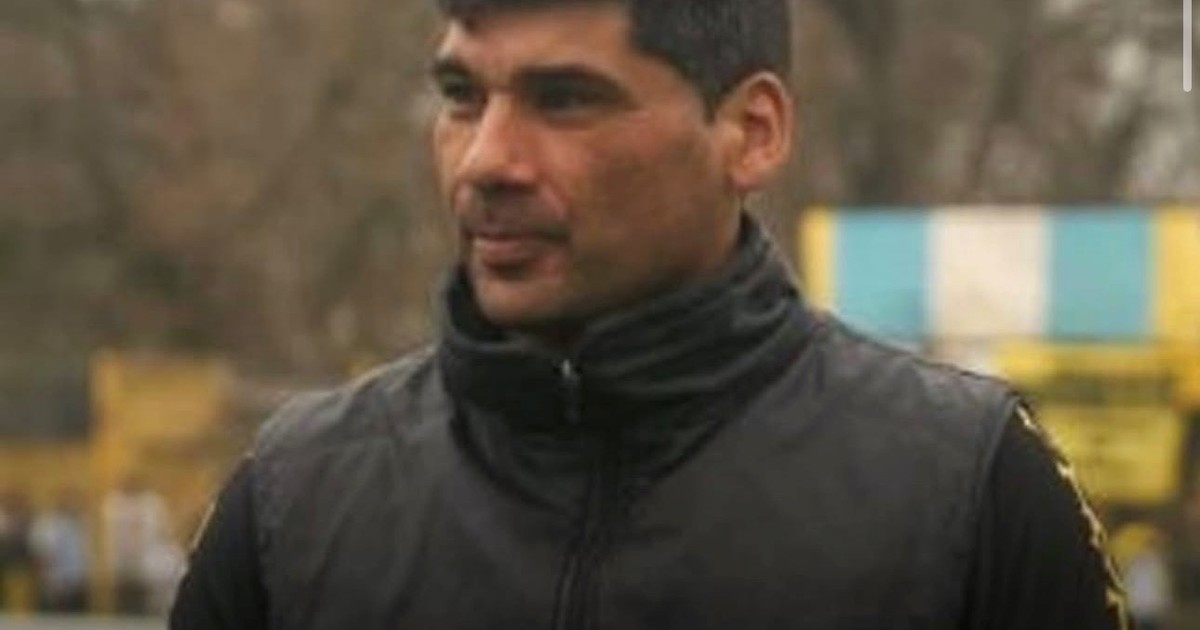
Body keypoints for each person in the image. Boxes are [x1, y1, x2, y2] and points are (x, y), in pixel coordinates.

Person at [171, 1, 1132, 628]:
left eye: (564, 100)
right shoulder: (296, 502)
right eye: (462, 96)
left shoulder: (966, 491)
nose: (485, 161)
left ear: (750, 132)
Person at [103, 475, 172, 615]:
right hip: (122, 562)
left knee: (145, 601)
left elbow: (163, 531)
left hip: (147, 562)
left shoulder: (152, 503)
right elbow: (110, 535)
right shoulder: (114, 503)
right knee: (124, 599)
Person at [28, 492, 90, 613]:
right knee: (51, 613)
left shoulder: (81, 524)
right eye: (69, 502)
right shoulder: (46, 523)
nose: (72, 505)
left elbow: (83, 553)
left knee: (75, 614)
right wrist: (45, 574)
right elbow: (40, 551)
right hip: (52, 579)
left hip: (76, 579)